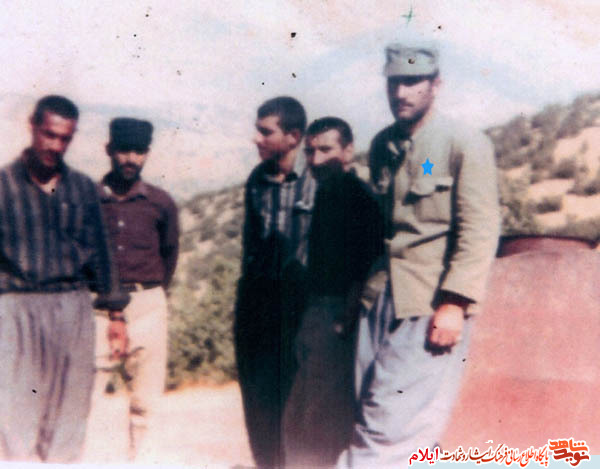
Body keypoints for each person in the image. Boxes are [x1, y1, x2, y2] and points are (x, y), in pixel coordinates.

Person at [337, 42, 500, 468]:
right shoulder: (384, 145)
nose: (401, 93)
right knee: (381, 416)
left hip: (428, 303)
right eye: (394, 82)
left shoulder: (464, 144)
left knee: (385, 428)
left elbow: (480, 228)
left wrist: (455, 302)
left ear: (436, 84)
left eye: (412, 82)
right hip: (380, 300)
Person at [0, 95, 129, 463]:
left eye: (65, 139)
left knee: (69, 418)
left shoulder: (82, 188)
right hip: (15, 309)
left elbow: (102, 252)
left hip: (73, 309)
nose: (56, 146)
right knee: (15, 421)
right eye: (50, 135)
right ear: (33, 127)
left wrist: (117, 316)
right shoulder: (3, 186)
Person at [283, 117, 384, 467]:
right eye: (310, 152)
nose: (315, 160)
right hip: (318, 313)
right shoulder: (328, 193)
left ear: (348, 151)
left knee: (319, 415)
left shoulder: (356, 197)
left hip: (336, 316)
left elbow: (364, 265)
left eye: (326, 150)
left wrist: (344, 319)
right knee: (302, 412)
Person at [234, 96, 316, 468]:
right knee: (259, 403)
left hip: (301, 307)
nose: (257, 139)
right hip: (259, 307)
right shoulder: (257, 180)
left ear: (293, 137)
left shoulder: (316, 180)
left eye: (266, 132)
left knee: (298, 403)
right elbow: (250, 245)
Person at [91, 117, 179, 461]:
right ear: (109, 150)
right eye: (124, 150)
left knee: (146, 402)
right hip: (97, 307)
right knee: (87, 396)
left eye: (139, 151)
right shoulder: (88, 199)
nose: (131, 158)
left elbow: (169, 254)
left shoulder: (161, 203)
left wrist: (151, 297)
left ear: (147, 154)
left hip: (147, 304)